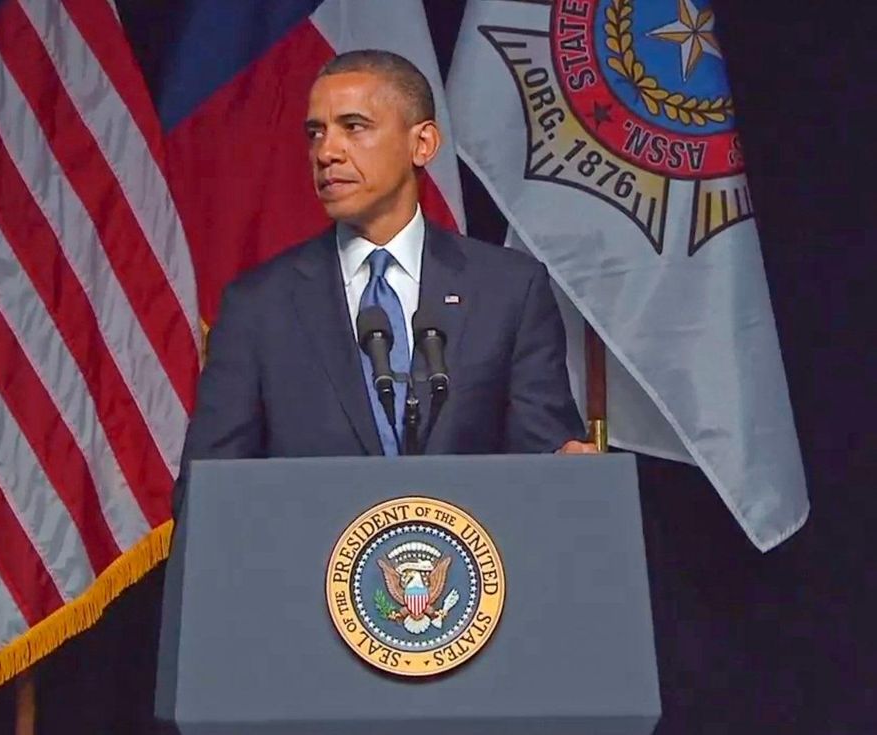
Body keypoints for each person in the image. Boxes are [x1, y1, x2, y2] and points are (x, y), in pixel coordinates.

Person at [176, 50, 592, 511]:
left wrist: (568, 471)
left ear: (423, 143)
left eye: (354, 127)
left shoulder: (509, 291)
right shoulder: (258, 306)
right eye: (316, 133)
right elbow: (206, 494)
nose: (327, 152)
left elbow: (547, 468)